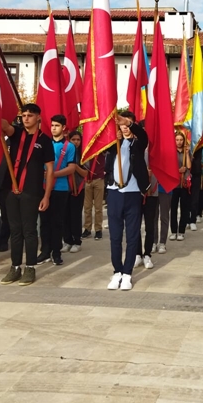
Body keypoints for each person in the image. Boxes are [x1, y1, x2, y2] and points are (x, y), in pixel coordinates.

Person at [0, 104, 55, 287]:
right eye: (23, 115)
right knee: (15, 231)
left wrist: (46, 196)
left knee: (29, 231)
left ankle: (30, 267)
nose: (26, 118)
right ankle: (15, 266)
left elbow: (49, 169)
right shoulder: (16, 134)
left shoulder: (45, 140)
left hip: (32, 191)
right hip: (11, 190)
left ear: (38, 117)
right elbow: (4, 125)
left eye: (30, 115)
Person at [105, 111, 149, 291]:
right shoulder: (112, 143)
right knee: (115, 236)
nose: (124, 127)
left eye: (127, 123)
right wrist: (112, 137)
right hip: (114, 193)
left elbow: (144, 136)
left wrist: (130, 124)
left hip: (132, 194)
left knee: (132, 235)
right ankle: (117, 271)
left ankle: (128, 274)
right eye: (121, 123)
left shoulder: (138, 144)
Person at [38, 115, 73, 266]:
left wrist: (53, 174)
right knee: (44, 221)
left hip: (60, 188)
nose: (54, 128)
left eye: (57, 125)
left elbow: (72, 168)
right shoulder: (44, 143)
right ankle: (45, 251)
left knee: (57, 222)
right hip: (43, 188)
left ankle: (56, 252)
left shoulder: (69, 146)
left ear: (64, 128)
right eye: (52, 125)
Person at [66, 131, 88, 252]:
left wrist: (75, 166)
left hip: (78, 188)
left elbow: (85, 173)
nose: (75, 142)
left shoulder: (83, 154)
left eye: (78, 139)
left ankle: (76, 241)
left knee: (75, 215)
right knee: (65, 215)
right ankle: (67, 240)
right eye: (73, 139)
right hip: (65, 187)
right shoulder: (65, 152)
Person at [171, 132, 191, 241]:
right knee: (173, 208)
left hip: (184, 184)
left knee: (184, 208)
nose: (179, 142)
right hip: (174, 184)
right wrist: (177, 171)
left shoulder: (186, 152)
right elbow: (169, 167)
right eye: (177, 140)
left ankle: (181, 231)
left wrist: (187, 154)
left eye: (181, 140)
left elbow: (189, 166)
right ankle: (174, 231)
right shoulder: (172, 152)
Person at [81, 150, 105, 240]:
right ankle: (87, 229)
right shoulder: (86, 149)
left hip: (99, 179)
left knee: (98, 207)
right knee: (87, 207)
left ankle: (98, 229)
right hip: (87, 180)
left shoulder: (101, 149)